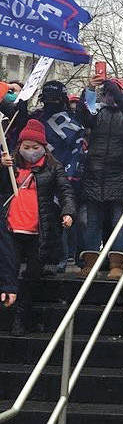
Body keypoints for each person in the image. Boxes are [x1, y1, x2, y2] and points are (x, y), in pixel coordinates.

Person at [1, 119, 75, 335]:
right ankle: (11, 314)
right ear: (19, 146)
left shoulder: (53, 167)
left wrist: (67, 211)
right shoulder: (9, 164)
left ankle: (21, 317)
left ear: (43, 148)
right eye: (26, 147)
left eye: (35, 148)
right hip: (11, 229)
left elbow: (65, 191)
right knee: (9, 271)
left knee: (32, 276)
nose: (30, 152)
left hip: (38, 231)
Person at [77, 75, 123, 279]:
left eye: (114, 92)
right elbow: (82, 115)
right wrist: (89, 89)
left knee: (118, 221)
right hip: (95, 173)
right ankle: (90, 263)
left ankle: (116, 264)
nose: (110, 97)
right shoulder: (98, 113)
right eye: (107, 93)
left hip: (119, 174)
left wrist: (117, 93)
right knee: (92, 221)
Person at [29, 80, 86, 272]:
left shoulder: (74, 122)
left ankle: (66, 258)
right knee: (44, 218)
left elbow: (77, 151)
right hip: (39, 176)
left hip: (63, 177)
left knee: (65, 217)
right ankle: (44, 258)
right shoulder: (35, 119)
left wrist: (69, 177)